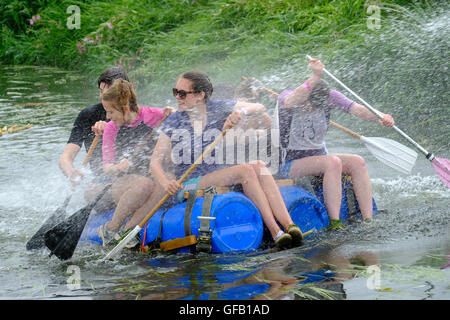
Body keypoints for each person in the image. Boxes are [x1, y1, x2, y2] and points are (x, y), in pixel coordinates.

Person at [150, 70, 303, 250]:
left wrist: (240, 113)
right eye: (175, 92)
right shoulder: (175, 121)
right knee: (245, 171)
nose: (177, 97)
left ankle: (290, 226)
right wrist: (166, 183)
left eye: (182, 93)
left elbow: (259, 107)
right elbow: (154, 162)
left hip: (216, 175)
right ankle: (276, 231)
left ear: (200, 95)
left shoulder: (219, 107)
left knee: (260, 166)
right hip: (188, 183)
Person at [277, 59, 395, 229]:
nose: (311, 108)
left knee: (357, 162)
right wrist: (316, 76)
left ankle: (369, 220)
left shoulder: (330, 97)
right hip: (289, 164)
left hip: (319, 159)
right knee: (333, 162)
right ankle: (335, 223)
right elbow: (290, 101)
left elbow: (358, 110)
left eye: (317, 105)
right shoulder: (287, 97)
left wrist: (380, 116)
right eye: (309, 103)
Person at [96, 79, 175, 246]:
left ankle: (128, 232)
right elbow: (106, 167)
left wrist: (174, 113)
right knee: (144, 184)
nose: (107, 117)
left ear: (124, 108)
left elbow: (178, 122)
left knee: (167, 177)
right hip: (124, 184)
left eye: (110, 112)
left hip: (154, 178)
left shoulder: (156, 115)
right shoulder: (111, 128)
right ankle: (110, 229)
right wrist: (117, 167)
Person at [58, 66, 130, 209]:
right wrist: (71, 172)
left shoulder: (135, 115)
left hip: (129, 176)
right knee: (92, 193)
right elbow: (65, 158)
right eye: (101, 91)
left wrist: (110, 127)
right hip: (102, 182)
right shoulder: (88, 115)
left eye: (109, 92)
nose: (103, 96)